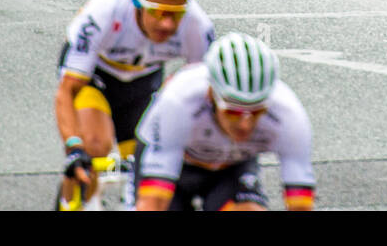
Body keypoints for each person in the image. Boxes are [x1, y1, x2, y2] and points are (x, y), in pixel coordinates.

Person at [55, 0, 214, 212]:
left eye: (176, 13)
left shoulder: (197, 24)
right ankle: (69, 199)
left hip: (143, 84)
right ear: (137, 0)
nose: (167, 24)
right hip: (95, 79)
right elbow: (67, 91)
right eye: (158, 11)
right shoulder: (108, 7)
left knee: (150, 167)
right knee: (95, 146)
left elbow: (206, 95)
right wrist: (73, 148)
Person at [133, 32, 314, 211]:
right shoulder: (179, 101)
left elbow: (301, 204)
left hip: (231, 166)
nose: (245, 124)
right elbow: (153, 201)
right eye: (233, 111)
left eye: (257, 111)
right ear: (211, 94)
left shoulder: (288, 113)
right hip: (176, 162)